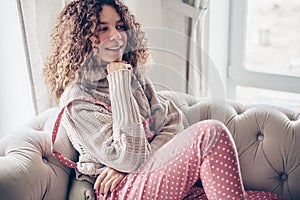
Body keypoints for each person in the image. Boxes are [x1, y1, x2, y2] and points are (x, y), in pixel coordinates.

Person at [44, 0, 283, 199]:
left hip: (153, 176)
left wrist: (126, 167)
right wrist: (118, 84)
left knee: (271, 198)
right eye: (103, 29)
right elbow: (129, 157)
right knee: (211, 132)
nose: (116, 36)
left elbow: (174, 123)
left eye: (119, 26)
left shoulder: (133, 77)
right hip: (120, 192)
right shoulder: (78, 102)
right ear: (82, 38)